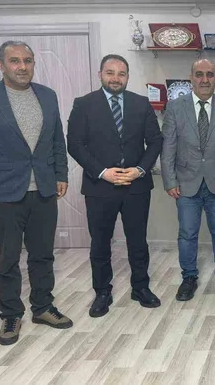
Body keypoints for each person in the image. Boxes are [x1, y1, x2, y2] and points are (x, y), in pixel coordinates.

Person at [0, 41, 73, 345]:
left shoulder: (47, 96)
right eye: (14, 61)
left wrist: (61, 174)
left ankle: (43, 307)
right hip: (3, 192)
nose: (22, 67)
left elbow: (57, 140)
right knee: (8, 257)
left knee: (43, 254)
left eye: (28, 60)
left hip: (44, 190)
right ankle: (11, 314)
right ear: (1, 65)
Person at [67, 54, 163, 318]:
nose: (116, 78)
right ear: (100, 74)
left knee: (138, 241)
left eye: (121, 74)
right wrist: (102, 172)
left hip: (136, 186)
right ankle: (102, 292)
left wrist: (140, 170)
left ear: (128, 77)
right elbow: (75, 144)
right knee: (100, 243)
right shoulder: (84, 104)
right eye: (110, 73)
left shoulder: (141, 104)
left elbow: (155, 140)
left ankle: (140, 287)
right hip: (100, 187)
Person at [161, 59, 215, 301]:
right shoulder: (175, 107)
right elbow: (168, 147)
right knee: (187, 234)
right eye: (199, 74)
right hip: (186, 183)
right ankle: (189, 278)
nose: (204, 79)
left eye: (209, 75)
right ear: (191, 77)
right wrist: (170, 180)